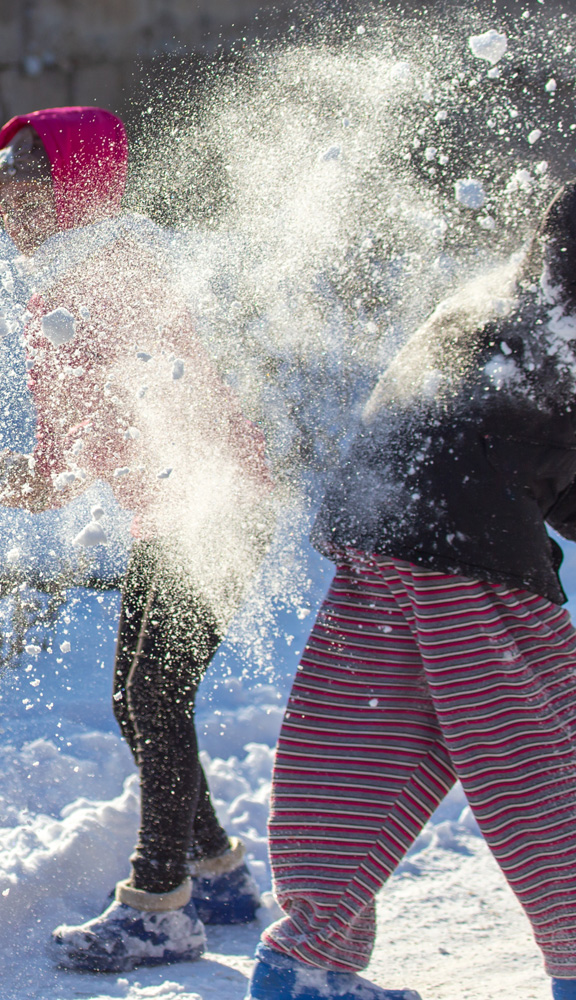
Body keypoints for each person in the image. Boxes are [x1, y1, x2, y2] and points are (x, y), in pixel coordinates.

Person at [245, 181, 576, 1000]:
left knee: (367, 736)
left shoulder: (498, 301)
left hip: (378, 522)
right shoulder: (562, 332)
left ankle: (306, 959)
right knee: (542, 747)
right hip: (471, 544)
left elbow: (513, 447)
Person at [0, 106, 275, 973]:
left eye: (32, 195)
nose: (15, 216)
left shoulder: (126, 268)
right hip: (172, 515)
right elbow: (77, 450)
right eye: (2, 201)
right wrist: (38, 484)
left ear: (80, 190)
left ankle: (160, 905)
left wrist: (63, 462)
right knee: (138, 697)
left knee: (153, 695)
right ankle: (215, 870)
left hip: (221, 506)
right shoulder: (55, 295)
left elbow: (155, 398)